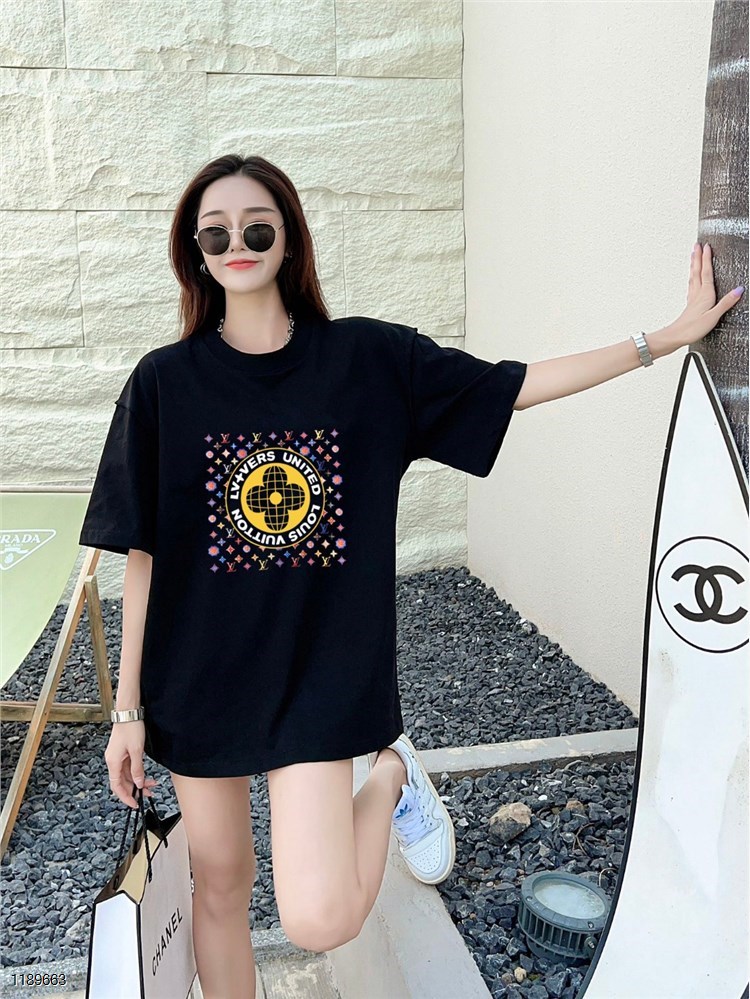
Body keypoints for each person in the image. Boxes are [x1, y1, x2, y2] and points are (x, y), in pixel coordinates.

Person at [78, 152, 743, 999]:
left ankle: (391, 772)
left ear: (289, 239)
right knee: (220, 886)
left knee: (318, 917)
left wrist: (661, 339)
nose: (236, 244)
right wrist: (127, 711)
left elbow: (511, 386)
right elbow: (141, 553)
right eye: (216, 233)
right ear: (195, 252)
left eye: (257, 227)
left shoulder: (366, 361)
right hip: (200, 679)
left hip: (316, 681)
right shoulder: (163, 383)